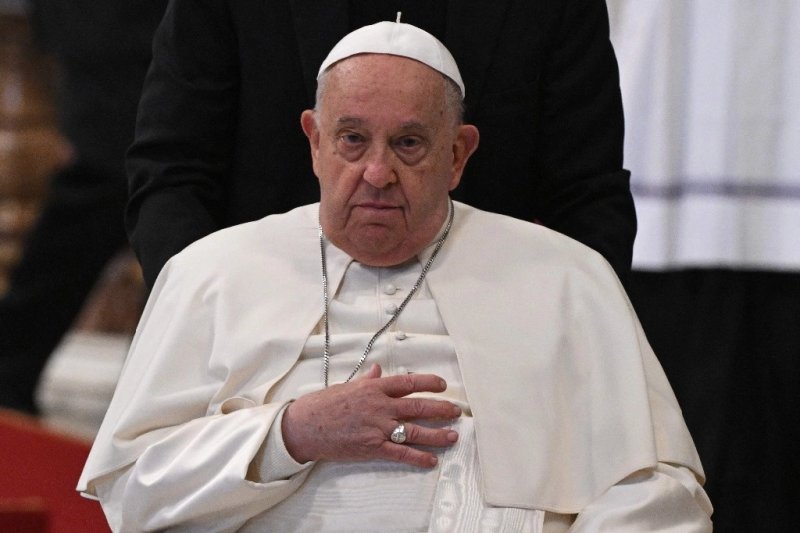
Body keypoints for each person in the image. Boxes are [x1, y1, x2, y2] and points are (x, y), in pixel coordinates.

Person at [79, 21, 711, 532]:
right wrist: (289, 433)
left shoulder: (567, 279)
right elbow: (132, 496)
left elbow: (656, 495)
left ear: (459, 154)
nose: (377, 173)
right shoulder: (213, 275)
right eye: (352, 140)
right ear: (314, 142)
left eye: (409, 144)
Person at [126, 0, 636, 291]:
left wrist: (559, 340)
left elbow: (589, 197)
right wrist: (212, 315)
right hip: (263, 327)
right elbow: (172, 173)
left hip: (484, 345)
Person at [0, 0, 165, 413]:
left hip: (139, 41)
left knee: (157, 226)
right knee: (101, 201)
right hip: (121, 43)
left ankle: (152, 397)